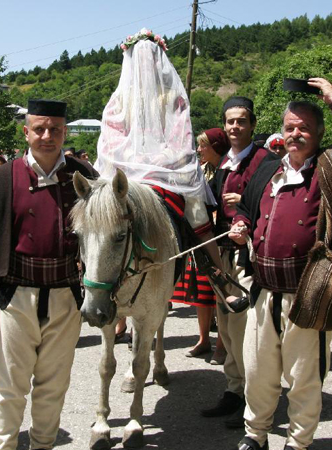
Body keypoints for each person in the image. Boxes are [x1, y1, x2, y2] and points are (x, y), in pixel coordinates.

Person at [221, 78, 332, 450]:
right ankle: (256, 436)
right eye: (290, 127)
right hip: (263, 292)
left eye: (304, 128)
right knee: (258, 372)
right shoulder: (268, 170)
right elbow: (247, 206)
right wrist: (242, 224)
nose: (296, 134)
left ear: (319, 133)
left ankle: (296, 447)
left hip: (309, 295)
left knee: (303, 377)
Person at [0, 99, 97, 450]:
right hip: (16, 296)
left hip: (64, 296)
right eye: (39, 128)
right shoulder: (3, 179)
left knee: (54, 383)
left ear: (65, 132)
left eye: (55, 129)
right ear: (25, 132)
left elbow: (105, 233)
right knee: (10, 385)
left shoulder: (83, 176)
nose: (46, 136)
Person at [96, 28, 245, 314]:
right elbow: (110, 142)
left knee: (198, 214)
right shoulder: (118, 102)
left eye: (149, 58)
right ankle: (83, 278)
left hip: (165, 172)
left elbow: (181, 139)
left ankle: (220, 279)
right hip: (127, 173)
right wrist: (130, 160)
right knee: (93, 217)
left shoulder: (172, 97)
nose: (144, 66)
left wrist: (160, 160)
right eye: (139, 59)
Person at [201, 97, 271, 429]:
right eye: (230, 121)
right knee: (226, 326)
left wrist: (246, 203)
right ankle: (233, 389)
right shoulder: (225, 162)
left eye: (241, 121)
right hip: (223, 253)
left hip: (249, 254)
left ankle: (250, 397)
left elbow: (277, 205)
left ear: (253, 125)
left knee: (243, 326)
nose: (234, 127)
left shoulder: (265, 162)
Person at [170, 128, 229, 361]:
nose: (199, 150)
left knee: (221, 292)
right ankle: (204, 339)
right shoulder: (202, 170)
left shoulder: (226, 168)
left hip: (222, 236)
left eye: (203, 145)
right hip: (202, 238)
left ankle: (222, 344)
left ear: (215, 146)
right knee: (204, 295)